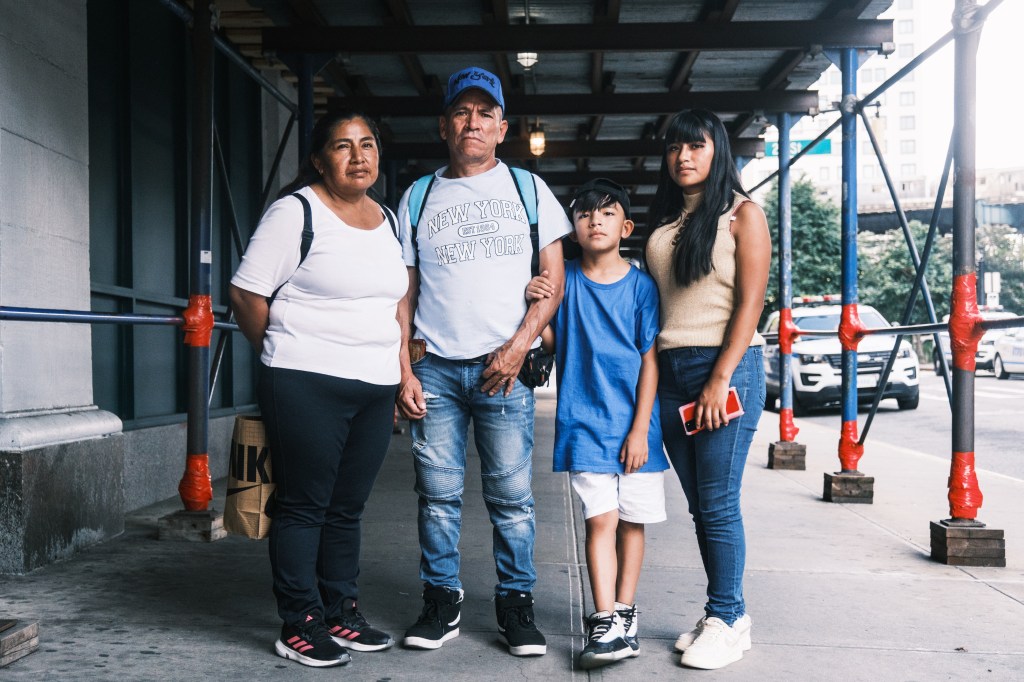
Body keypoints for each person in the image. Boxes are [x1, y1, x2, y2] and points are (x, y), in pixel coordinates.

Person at [394, 66, 571, 657]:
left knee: (512, 496)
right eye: (462, 112)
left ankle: (515, 607)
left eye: (485, 113)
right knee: (437, 494)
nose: (473, 122)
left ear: (502, 127)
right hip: (437, 367)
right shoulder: (418, 195)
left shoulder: (528, 189)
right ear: (445, 125)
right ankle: (441, 602)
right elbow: (405, 293)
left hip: (505, 368)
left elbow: (555, 279)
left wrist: (520, 345)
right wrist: (403, 368)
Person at [229, 111, 406, 668]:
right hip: (305, 381)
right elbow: (245, 294)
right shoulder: (295, 212)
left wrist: (399, 367)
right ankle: (299, 620)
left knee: (347, 509)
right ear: (319, 158)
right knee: (304, 506)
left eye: (367, 144)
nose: (358, 156)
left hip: (375, 385)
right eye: (342, 146)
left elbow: (396, 300)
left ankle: (340, 611)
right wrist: (283, 353)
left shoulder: (388, 218)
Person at [644, 109, 770, 670]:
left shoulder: (743, 215)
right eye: (674, 148)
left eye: (695, 146)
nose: (683, 157)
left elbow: (751, 303)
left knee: (718, 503)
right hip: (672, 374)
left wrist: (720, 378)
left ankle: (726, 617)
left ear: (717, 150)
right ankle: (728, 613)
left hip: (725, 370)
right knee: (702, 506)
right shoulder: (665, 223)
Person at [525, 178, 667, 670]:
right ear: (572, 228)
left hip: (636, 426)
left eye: (607, 214)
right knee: (600, 518)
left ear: (625, 227)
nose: (595, 221)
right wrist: (533, 301)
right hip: (584, 420)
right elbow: (546, 341)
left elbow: (650, 360)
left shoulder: (642, 286)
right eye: (585, 214)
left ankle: (626, 612)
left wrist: (639, 428)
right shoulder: (564, 278)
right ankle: (603, 617)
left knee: (632, 521)